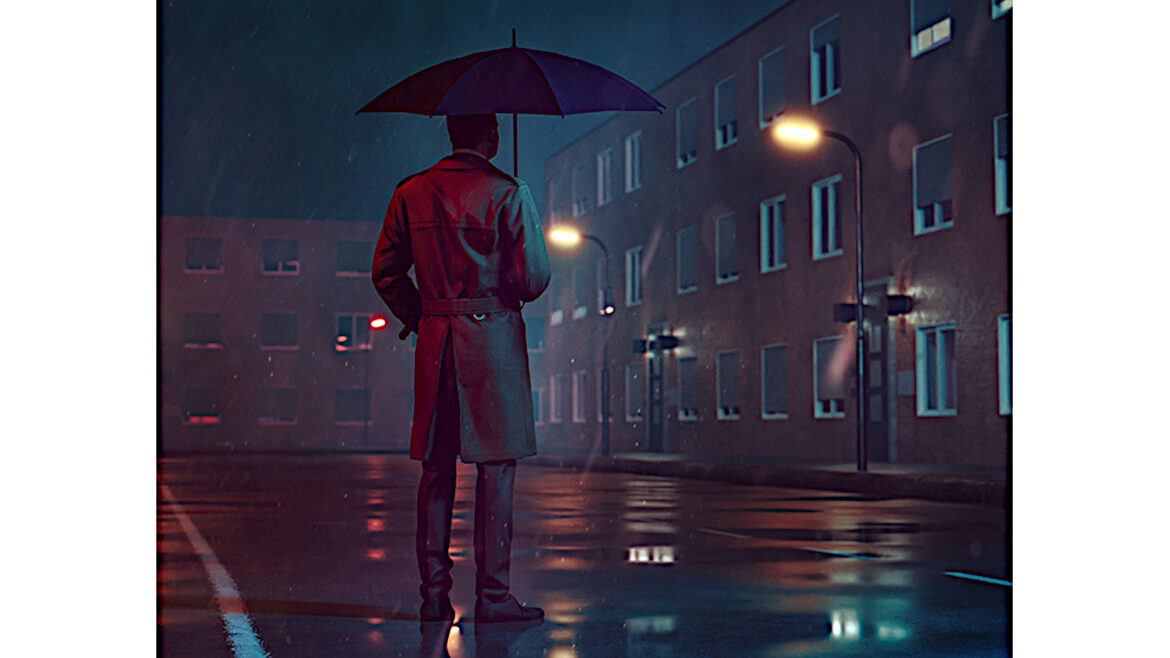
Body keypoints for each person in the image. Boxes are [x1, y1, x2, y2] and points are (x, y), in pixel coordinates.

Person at [372, 113, 550, 624]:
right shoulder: (510, 193)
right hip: (490, 344)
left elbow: (385, 272)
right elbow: (534, 277)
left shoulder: (411, 192)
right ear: (490, 137)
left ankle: (433, 597)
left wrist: (423, 315)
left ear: (451, 133)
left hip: (436, 345)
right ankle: (493, 596)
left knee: (436, 469)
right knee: (496, 470)